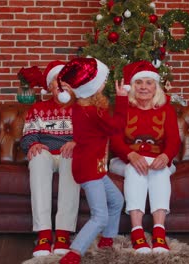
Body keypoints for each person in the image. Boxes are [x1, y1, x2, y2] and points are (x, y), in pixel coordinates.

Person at [55, 57, 128, 264]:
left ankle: (107, 239)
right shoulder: (93, 112)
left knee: (116, 200)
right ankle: (74, 252)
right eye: (102, 81)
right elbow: (116, 127)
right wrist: (122, 99)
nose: (105, 84)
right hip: (89, 169)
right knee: (100, 216)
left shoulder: (82, 107)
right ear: (92, 87)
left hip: (93, 166)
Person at [109, 60, 180, 254]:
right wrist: (130, 154)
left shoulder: (166, 109)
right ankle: (137, 230)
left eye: (149, 83)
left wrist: (166, 156)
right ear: (132, 86)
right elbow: (114, 138)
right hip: (124, 161)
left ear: (156, 86)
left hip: (158, 160)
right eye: (139, 83)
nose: (144, 87)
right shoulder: (125, 106)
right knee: (135, 170)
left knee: (160, 172)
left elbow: (174, 141)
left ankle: (159, 231)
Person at [20, 61, 80, 257]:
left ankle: (63, 233)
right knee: (37, 157)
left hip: (68, 154)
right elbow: (28, 135)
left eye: (66, 81)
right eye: (57, 81)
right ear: (50, 87)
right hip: (45, 154)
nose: (61, 85)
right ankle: (44, 233)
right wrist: (32, 145)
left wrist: (77, 143)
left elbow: (92, 137)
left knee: (72, 158)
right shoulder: (37, 108)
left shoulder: (82, 109)